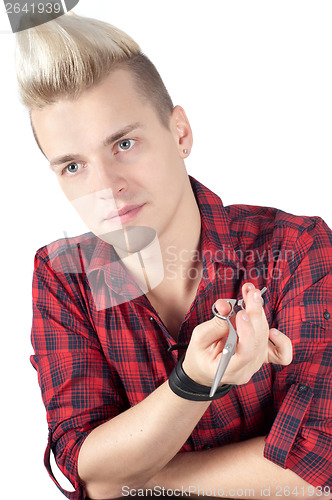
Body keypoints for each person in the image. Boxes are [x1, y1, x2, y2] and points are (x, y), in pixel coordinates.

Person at [16, 12, 332, 500]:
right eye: (74, 166)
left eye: (124, 143)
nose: (105, 187)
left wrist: (129, 481)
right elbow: (82, 459)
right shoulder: (65, 276)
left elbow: (316, 469)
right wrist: (193, 384)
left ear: (180, 133)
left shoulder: (294, 249)